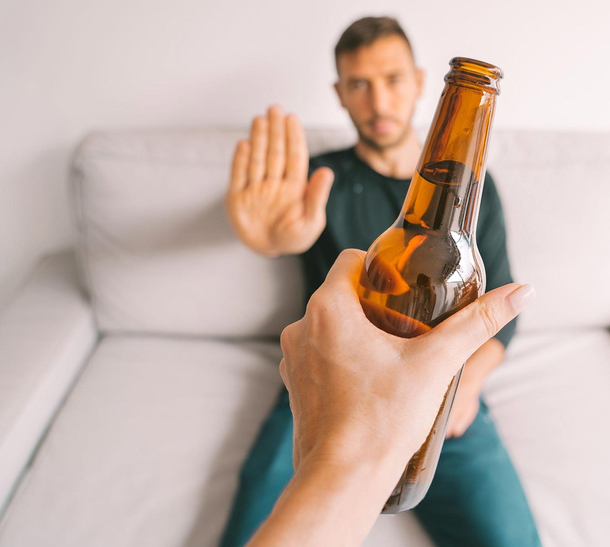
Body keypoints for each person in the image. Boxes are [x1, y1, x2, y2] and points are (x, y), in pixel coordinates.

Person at [222, 15, 542, 547]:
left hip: (438, 384)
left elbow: (500, 311)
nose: (378, 101)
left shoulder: (474, 195)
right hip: (328, 376)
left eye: (392, 80)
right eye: (359, 84)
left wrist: (467, 385)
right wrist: (268, 240)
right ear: (340, 94)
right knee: (252, 524)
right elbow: (287, 229)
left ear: (418, 83)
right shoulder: (317, 178)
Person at [248, 249, 535, 546]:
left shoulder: (474, 230)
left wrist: (467, 383)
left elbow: (500, 319)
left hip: (444, 384)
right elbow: (282, 239)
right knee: (255, 517)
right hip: (328, 373)